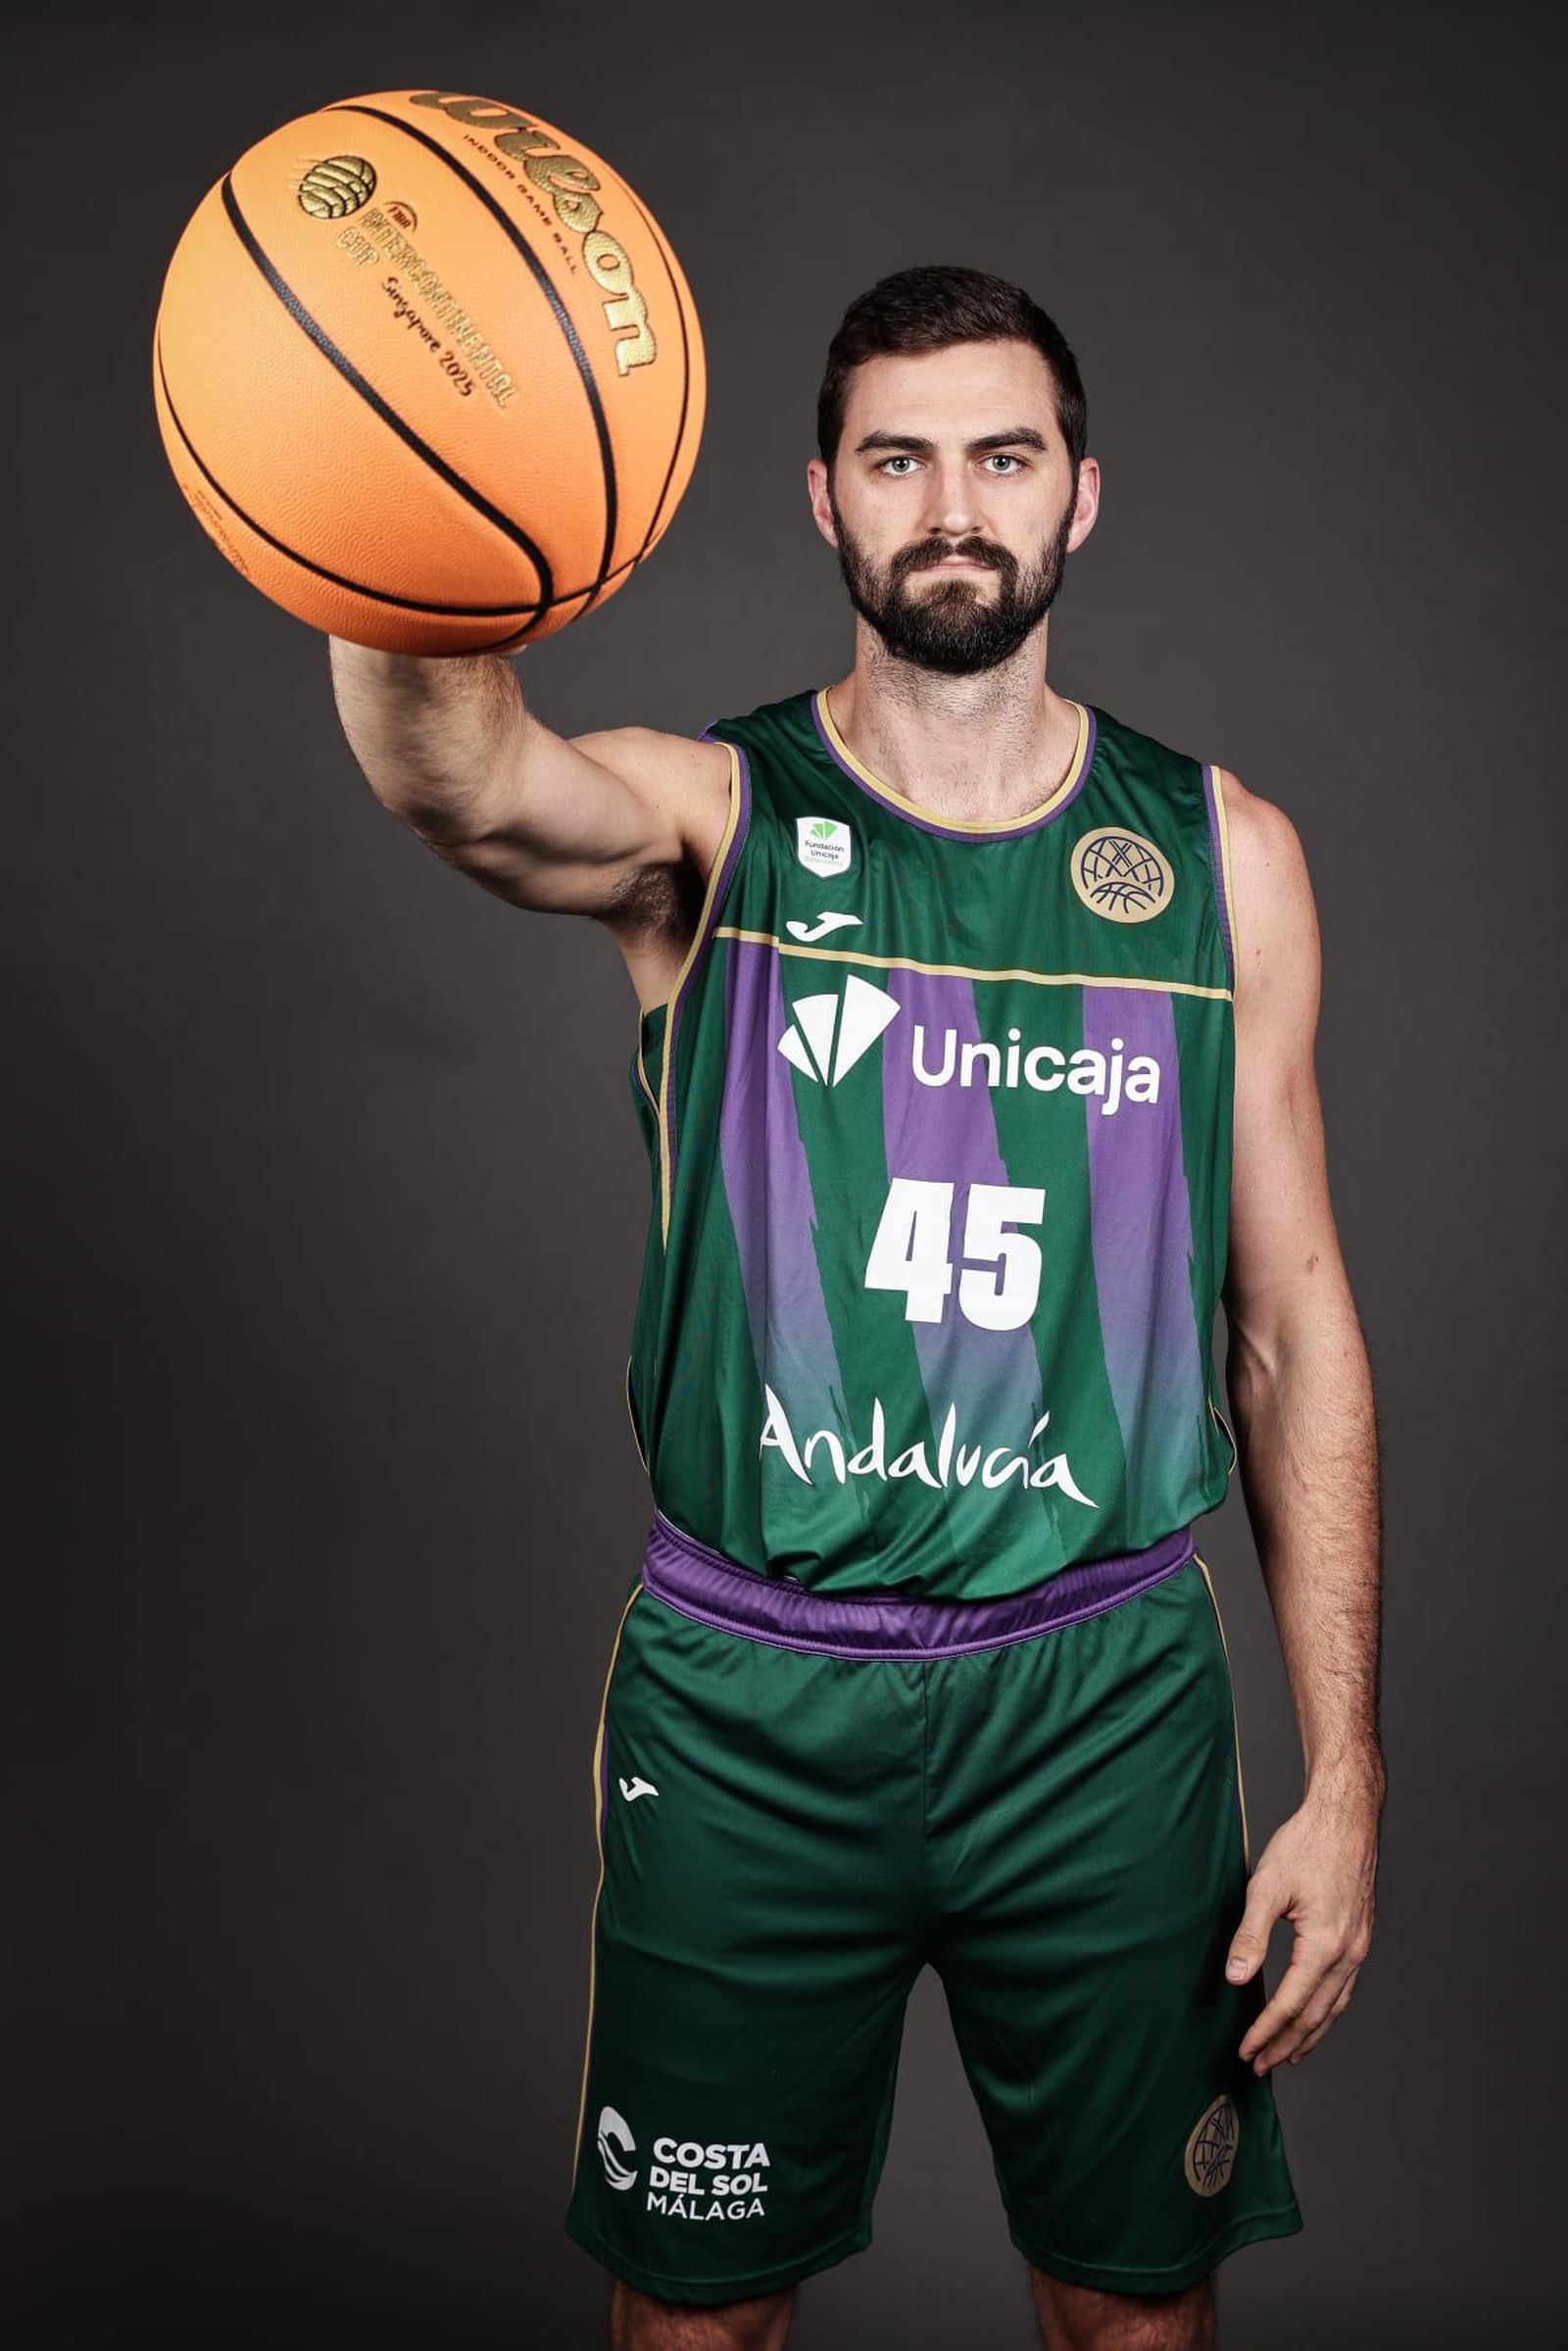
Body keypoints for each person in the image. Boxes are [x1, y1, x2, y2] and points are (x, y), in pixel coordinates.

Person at [328, 265, 1384, 2351]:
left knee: (1131, 2313)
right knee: (695, 2321)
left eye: (1000, 454)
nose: (951, 504)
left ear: (1079, 494)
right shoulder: (712, 825)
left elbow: (1286, 1320)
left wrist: (1343, 1778)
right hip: (751, 1709)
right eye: (895, 459)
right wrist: (386, 511)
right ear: (821, 500)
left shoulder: (1214, 855)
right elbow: (457, 776)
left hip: (1095, 1704)